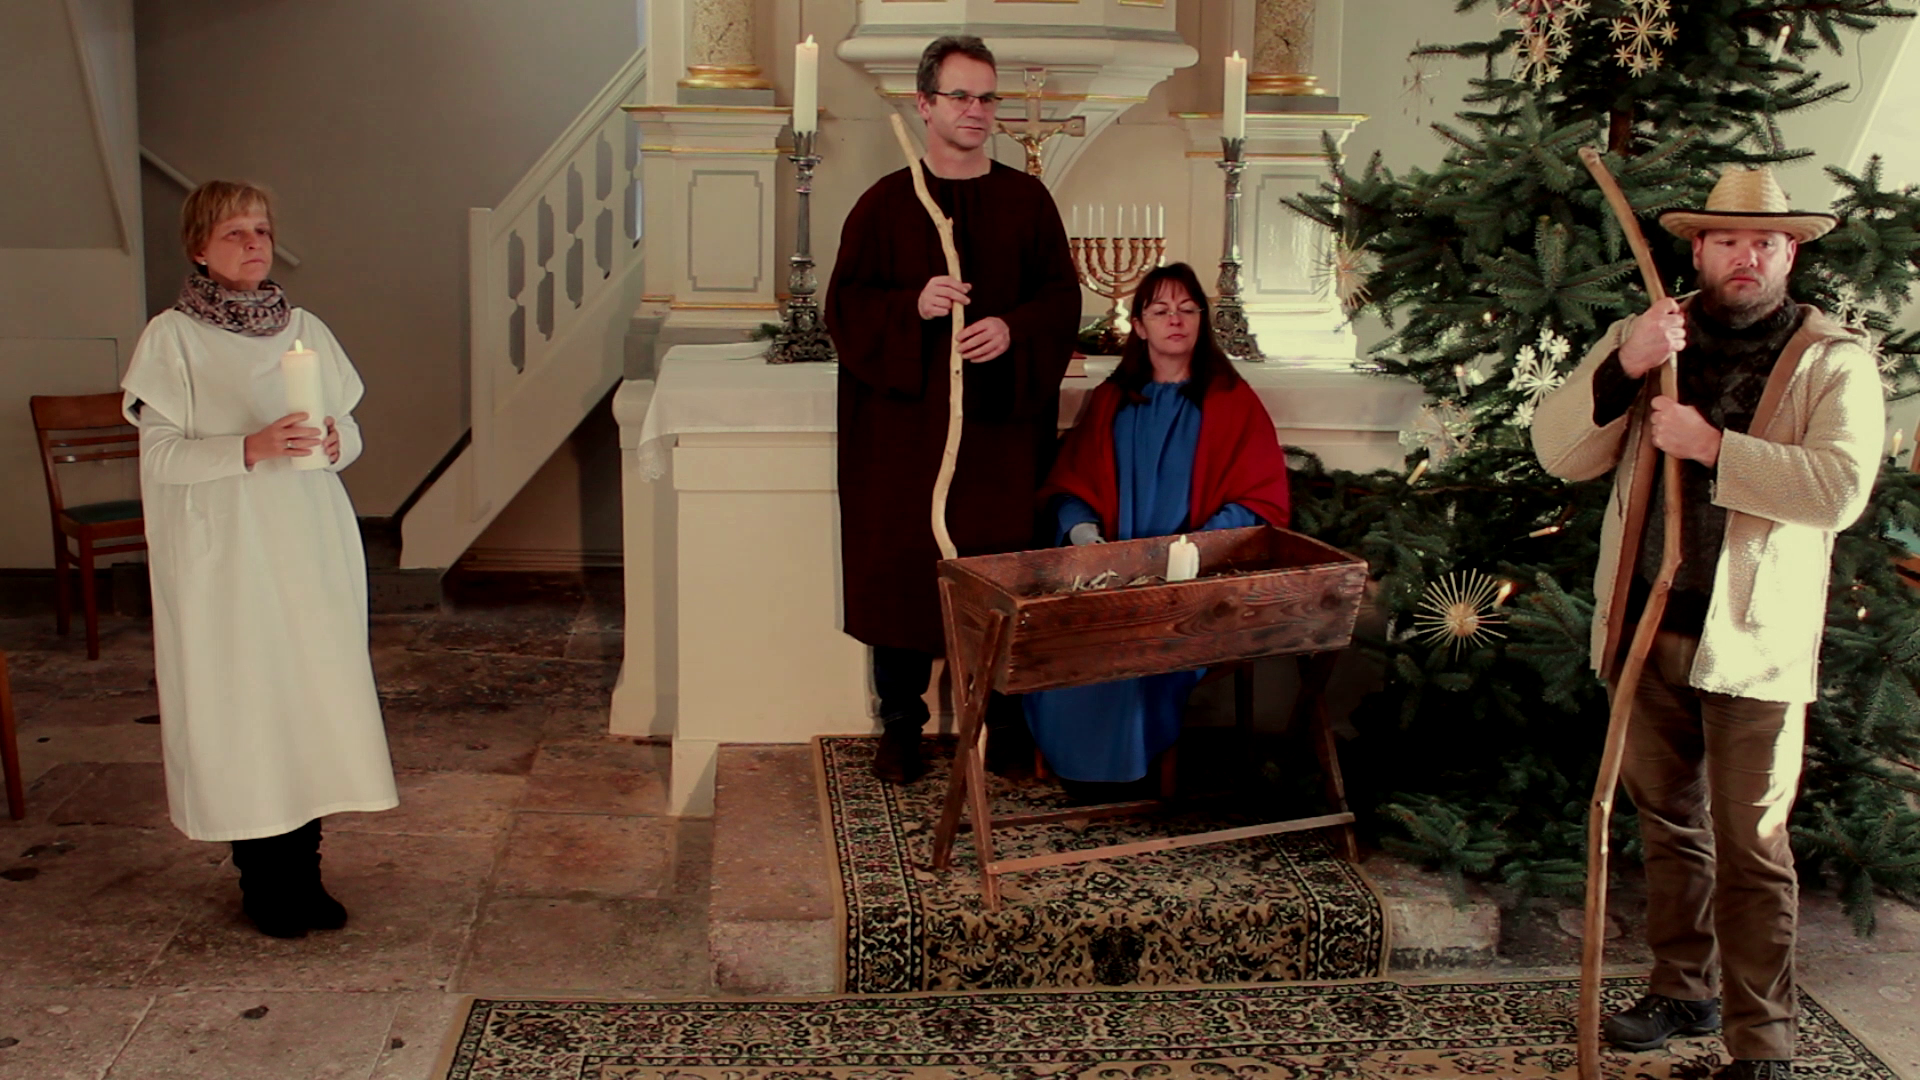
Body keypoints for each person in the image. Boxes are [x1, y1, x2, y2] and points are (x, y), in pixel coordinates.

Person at [1531, 166, 1884, 1080]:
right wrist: (1628, 363)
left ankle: (1762, 1043)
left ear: (1791, 252)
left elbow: (1841, 490)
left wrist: (1715, 447)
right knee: (1667, 825)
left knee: (1754, 847)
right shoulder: (1649, 332)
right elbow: (1558, 451)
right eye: (1728, 240)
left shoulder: (1832, 360)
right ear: (1698, 249)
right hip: (1648, 631)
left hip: (1753, 646)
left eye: (1765, 241)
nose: (1746, 256)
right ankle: (1681, 990)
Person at [122, 180, 398, 939]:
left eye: (261, 231)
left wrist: (337, 441)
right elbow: (160, 459)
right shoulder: (172, 339)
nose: (252, 244)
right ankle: (264, 883)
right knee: (247, 709)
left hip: (306, 542)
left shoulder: (305, 329)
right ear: (198, 248)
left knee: (308, 703)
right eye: (234, 232)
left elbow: (345, 427)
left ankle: (306, 874)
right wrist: (248, 447)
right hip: (228, 553)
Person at [825, 35, 1081, 784]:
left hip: (999, 434)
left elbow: (1060, 299)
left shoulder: (1027, 201)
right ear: (925, 104)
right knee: (904, 568)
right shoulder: (884, 204)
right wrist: (912, 304)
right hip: (904, 436)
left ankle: (1001, 720)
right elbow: (845, 308)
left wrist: (1012, 329)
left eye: (987, 97)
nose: (976, 110)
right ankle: (901, 725)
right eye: (960, 96)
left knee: (1000, 571)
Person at [1026, 262, 1290, 798]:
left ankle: (1129, 769)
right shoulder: (1112, 400)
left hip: (1189, 581)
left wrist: (1195, 548)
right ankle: (1080, 769)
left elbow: (1259, 500)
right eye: (1162, 310)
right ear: (1139, 326)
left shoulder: (1232, 400)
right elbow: (1070, 483)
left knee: (1144, 648)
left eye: (1188, 310)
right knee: (1077, 639)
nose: (1176, 320)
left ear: (1202, 321)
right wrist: (1082, 531)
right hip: (1111, 575)